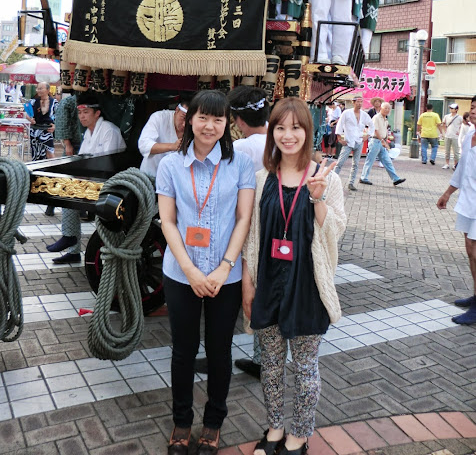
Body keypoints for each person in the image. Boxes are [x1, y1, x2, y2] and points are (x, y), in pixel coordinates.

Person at [242, 97, 346, 455]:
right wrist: (247, 283)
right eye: (280, 128)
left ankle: (299, 436)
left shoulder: (325, 179)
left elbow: (336, 232)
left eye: (296, 127)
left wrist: (318, 200)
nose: (288, 135)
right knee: (270, 366)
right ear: (272, 132)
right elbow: (252, 235)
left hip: (306, 287)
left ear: (308, 131)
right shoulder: (261, 178)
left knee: (304, 368)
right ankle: (274, 428)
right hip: (269, 283)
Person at [156, 90, 255, 455]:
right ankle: (182, 421)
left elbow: (244, 217)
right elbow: (168, 221)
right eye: (203, 117)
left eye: (218, 119)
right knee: (183, 350)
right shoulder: (170, 165)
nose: (209, 125)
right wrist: (190, 271)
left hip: (224, 277)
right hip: (181, 274)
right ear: (189, 119)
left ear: (227, 123)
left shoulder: (240, 164)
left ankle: (213, 422)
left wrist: (224, 267)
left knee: (219, 350)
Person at [47, 91, 126, 264]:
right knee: (65, 190)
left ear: (97, 113)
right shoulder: (88, 133)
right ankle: (72, 247)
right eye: (80, 113)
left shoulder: (108, 130)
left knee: (70, 192)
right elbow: (82, 160)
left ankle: (71, 240)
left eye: (86, 112)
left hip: (111, 184)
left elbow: (107, 164)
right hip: (95, 180)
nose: (82, 116)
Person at [437, 95, 476, 325]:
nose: (473, 111)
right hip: (467, 202)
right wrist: (447, 193)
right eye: (472, 107)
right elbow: (462, 169)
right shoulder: (470, 135)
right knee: (470, 249)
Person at [138, 95, 193, 178]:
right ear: (177, 110)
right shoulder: (159, 117)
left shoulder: (198, 126)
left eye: (190, 121)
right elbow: (144, 145)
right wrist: (172, 146)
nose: (184, 124)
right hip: (150, 176)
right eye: (183, 118)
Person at [359, 101, 405, 186]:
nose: (387, 110)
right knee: (370, 160)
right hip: (375, 141)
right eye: (385, 108)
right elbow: (375, 130)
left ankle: (395, 179)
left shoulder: (385, 119)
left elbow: (385, 131)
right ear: (381, 108)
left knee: (387, 161)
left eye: (388, 108)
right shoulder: (376, 117)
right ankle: (363, 177)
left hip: (381, 142)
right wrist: (382, 140)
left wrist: (386, 141)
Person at [334, 94, 374, 191]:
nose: (359, 104)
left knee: (355, 164)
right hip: (348, 141)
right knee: (340, 162)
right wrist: (339, 138)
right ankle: (333, 180)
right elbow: (339, 124)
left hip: (359, 141)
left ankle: (351, 183)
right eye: (358, 102)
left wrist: (367, 135)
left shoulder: (364, 115)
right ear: (353, 102)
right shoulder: (347, 113)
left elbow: (372, 125)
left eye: (361, 102)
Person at [25, 82, 57, 161]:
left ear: (47, 90)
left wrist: (55, 125)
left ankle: (54, 170)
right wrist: (30, 119)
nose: (38, 90)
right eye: (38, 88)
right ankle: (39, 171)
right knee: (36, 154)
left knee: (50, 152)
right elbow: (25, 112)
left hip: (47, 131)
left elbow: (58, 116)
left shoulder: (54, 102)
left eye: (41, 88)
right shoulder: (33, 101)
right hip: (35, 130)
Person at [442, 103, 462, 169]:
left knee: (456, 152)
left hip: (455, 136)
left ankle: (455, 164)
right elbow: (443, 123)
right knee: (447, 151)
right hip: (448, 135)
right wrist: (445, 130)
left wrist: (459, 131)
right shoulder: (447, 116)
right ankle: (447, 164)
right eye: (450, 108)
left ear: (456, 109)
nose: (450, 109)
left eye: (452, 108)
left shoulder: (459, 117)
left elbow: (462, 125)